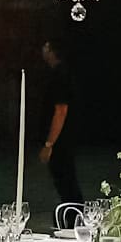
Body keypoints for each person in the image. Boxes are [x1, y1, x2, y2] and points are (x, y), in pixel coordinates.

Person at [37, 37, 82, 208]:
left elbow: (61, 110)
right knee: (64, 181)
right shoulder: (62, 73)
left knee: (66, 181)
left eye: (46, 47)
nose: (43, 50)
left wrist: (49, 144)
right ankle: (72, 213)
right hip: (65, 137)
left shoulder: (60, 75)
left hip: (61, 140)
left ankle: (74, 215)